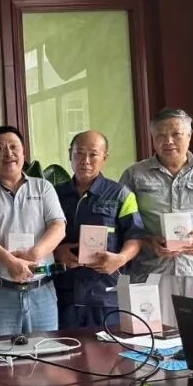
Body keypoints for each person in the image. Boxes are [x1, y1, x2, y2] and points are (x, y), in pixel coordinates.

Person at [120, 108, 193, 327]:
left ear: (189, 135)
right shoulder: (135, 174)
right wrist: (149, 240)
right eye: (160, 135)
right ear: (152, 138)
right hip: (151, 268)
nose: (168, 141)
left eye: (176, 134)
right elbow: (122, 221)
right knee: (152, 336)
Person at [0, 125, 66, 336]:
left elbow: (58, 227)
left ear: (23, 152)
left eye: (14, 147)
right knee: (1, 353)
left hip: (42, 291)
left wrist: (34, 254)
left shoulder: (43, 187)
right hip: (0, 293)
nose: (8, 153)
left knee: (45, 350)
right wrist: (10, 261)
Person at [53, 131, 145, 329]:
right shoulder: (54, 194)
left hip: (106, 295)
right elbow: (40, 235)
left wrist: (120, 258)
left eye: (93, 154)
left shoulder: (121, 194)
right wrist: (56, 253)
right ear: (70, 154)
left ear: (105, 157)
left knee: (107, 347)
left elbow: (136, 236)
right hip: (63, 293)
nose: (85, 160)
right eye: (79, 153)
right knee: (65, 347)